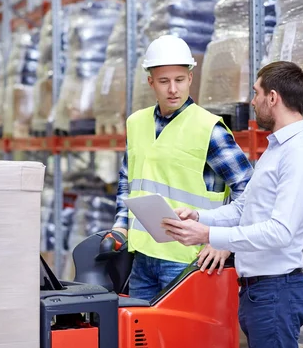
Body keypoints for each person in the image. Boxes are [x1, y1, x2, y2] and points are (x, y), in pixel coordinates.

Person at [161, 61, 303, 347]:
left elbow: (280, 231)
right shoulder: (277, 150)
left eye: (256, 93)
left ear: (272, 98)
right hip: (259, 291)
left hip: (276, 291)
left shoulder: (299, 155)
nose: (252, 101)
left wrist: (208, 236)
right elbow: (243, 209)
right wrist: (199, 217)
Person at [103, 35, 254, 302]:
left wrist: (223, 241)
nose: (173, 89)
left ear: (190, 78)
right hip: (142, 257)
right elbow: (127, 180)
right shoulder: (136, 123)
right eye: (164, 81)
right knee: (142, 341)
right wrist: (121, 226)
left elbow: (250, 192)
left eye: (180, 80)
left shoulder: (209, 129)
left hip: (189, 262)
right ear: (151, 82)